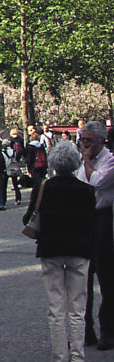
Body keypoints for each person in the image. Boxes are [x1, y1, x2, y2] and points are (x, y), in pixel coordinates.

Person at [22, 141, 96, 361]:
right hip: (79, 249)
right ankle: (78, 355)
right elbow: (92, 221)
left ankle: (60, 356)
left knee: (56, 309)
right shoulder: (87, 190)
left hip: (51, 248)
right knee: (77, 309)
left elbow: (28, 218)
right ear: (75, 163)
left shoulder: (44, 187)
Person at [75, 121, 114, 350]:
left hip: (103, 219)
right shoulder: (83, 162)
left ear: (100, 140)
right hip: (86, 219)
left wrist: (88, 160)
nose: (84, 144)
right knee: (83, 277)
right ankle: (86, 330)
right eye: (82, 139)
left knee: (107, 278)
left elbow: (97, 183)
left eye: (88, 140)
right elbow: (81, 182)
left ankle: (108, 329)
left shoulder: (110, 161)